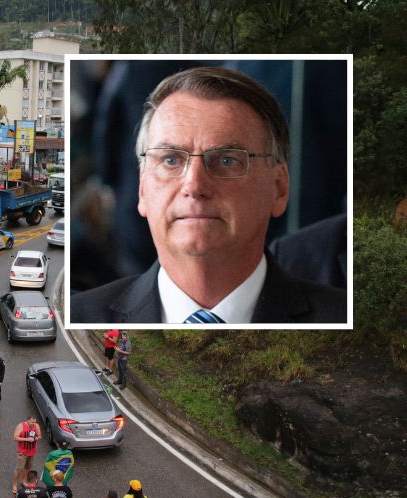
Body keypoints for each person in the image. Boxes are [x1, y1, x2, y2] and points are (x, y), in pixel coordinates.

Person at [70, 66, 345, 324]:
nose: (194, 185)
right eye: (170, 160)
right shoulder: (76, 318)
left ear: (279, 187)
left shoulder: (345, 318)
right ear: (143, 188)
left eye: (227, 160)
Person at [12, 414, 42, 495]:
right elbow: (15, 437)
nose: (33, 424)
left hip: (32, 452)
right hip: (22, 452)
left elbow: (40, 436)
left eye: (35, 422)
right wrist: (27, 439)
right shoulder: (21, 426)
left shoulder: (36, 426)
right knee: (19, 469)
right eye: (32, 422)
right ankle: (14, 485)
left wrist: (36, 438)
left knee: (27, 468)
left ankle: (24, 481)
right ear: (28, 420)